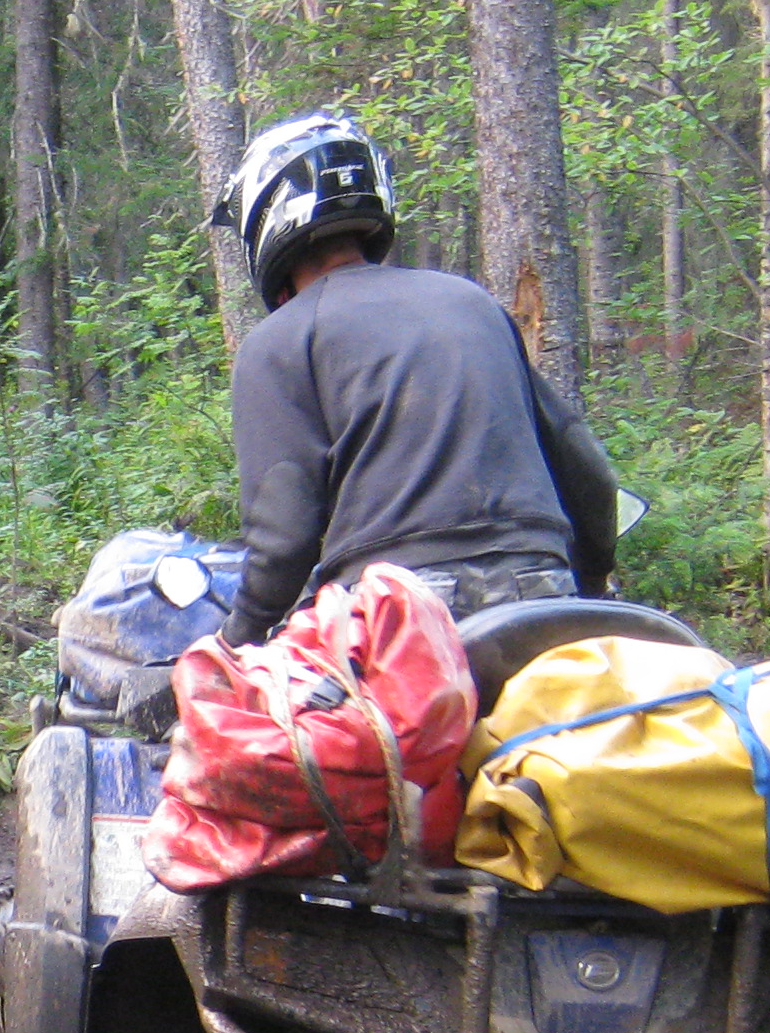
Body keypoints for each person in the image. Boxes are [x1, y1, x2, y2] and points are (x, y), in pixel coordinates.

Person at [209, 111, 620, 647]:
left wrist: (235, 638)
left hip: (397, 614)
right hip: (543, 597)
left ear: (266, 217)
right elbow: (585, 467)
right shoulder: (471, 302)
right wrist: (590, 584)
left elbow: (284, 536)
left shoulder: (279, 341)